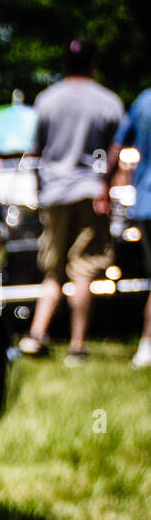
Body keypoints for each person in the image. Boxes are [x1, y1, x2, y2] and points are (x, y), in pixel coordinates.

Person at [18, 40, 124, 366]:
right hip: (92, 191)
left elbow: (36, 151)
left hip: (54, 192)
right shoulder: (108, 101)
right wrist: (105, 185)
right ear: (93, 63)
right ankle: (77, 347)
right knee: (83, 269)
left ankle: (36, 334)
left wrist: (37, 190)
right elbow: (116, 150)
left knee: (53, 269)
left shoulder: (47, 100)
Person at [114, 87, 151, 367]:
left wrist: (106, 183)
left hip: (146, 200)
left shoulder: (143, 100)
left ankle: (147, 345)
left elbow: (118, 145)